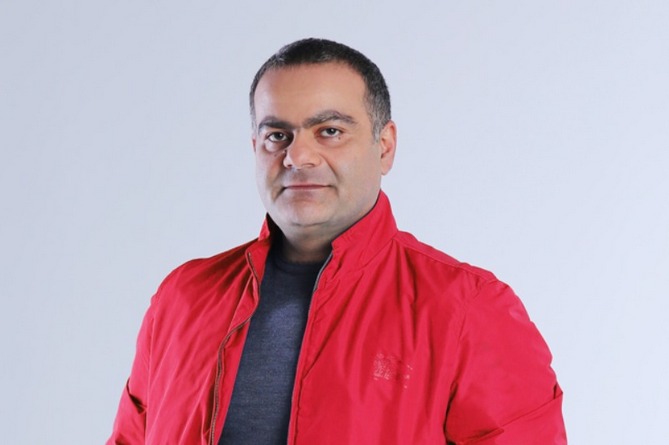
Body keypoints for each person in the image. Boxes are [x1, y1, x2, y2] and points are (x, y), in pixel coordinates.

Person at [108, 38, 566, 444]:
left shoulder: (468, 309)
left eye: (330, 131)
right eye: (277, 135)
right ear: (255, 149)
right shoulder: (182, 299)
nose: (298, 156)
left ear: (384, 146)